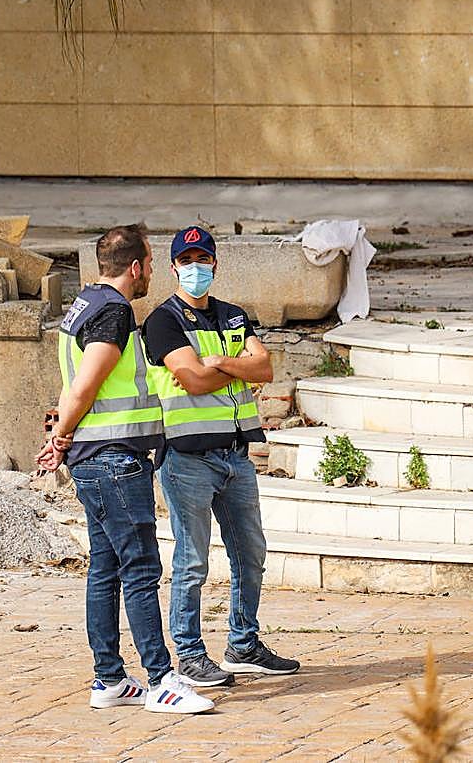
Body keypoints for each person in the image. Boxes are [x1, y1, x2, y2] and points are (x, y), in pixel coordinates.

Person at [36, 224, 213, 715]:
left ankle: (109, 679)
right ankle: (161, 681)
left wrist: (63, 439)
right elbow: (86, 385)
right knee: (140, 567)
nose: (151, 274)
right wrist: (61, 435)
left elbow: (76, 384)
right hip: (114, 459)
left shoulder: (84, 304)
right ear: (135, 267)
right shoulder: (114, 312)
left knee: (106, 567)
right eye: (151, 264)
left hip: (95, 458)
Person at [142, 225, 302, 688]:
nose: (196, 268)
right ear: (174, 267)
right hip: (187, 457)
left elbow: (265, 367)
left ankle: (243, 644)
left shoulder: (233, 316)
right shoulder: (163, 321)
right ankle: (190, 654)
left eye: (203, 259)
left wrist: (219, 364)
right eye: (186, 260)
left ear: (215, 263)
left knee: (251, 553)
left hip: (235, 455)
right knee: (192, 561)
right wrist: (234, 369)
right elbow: (191, 380)